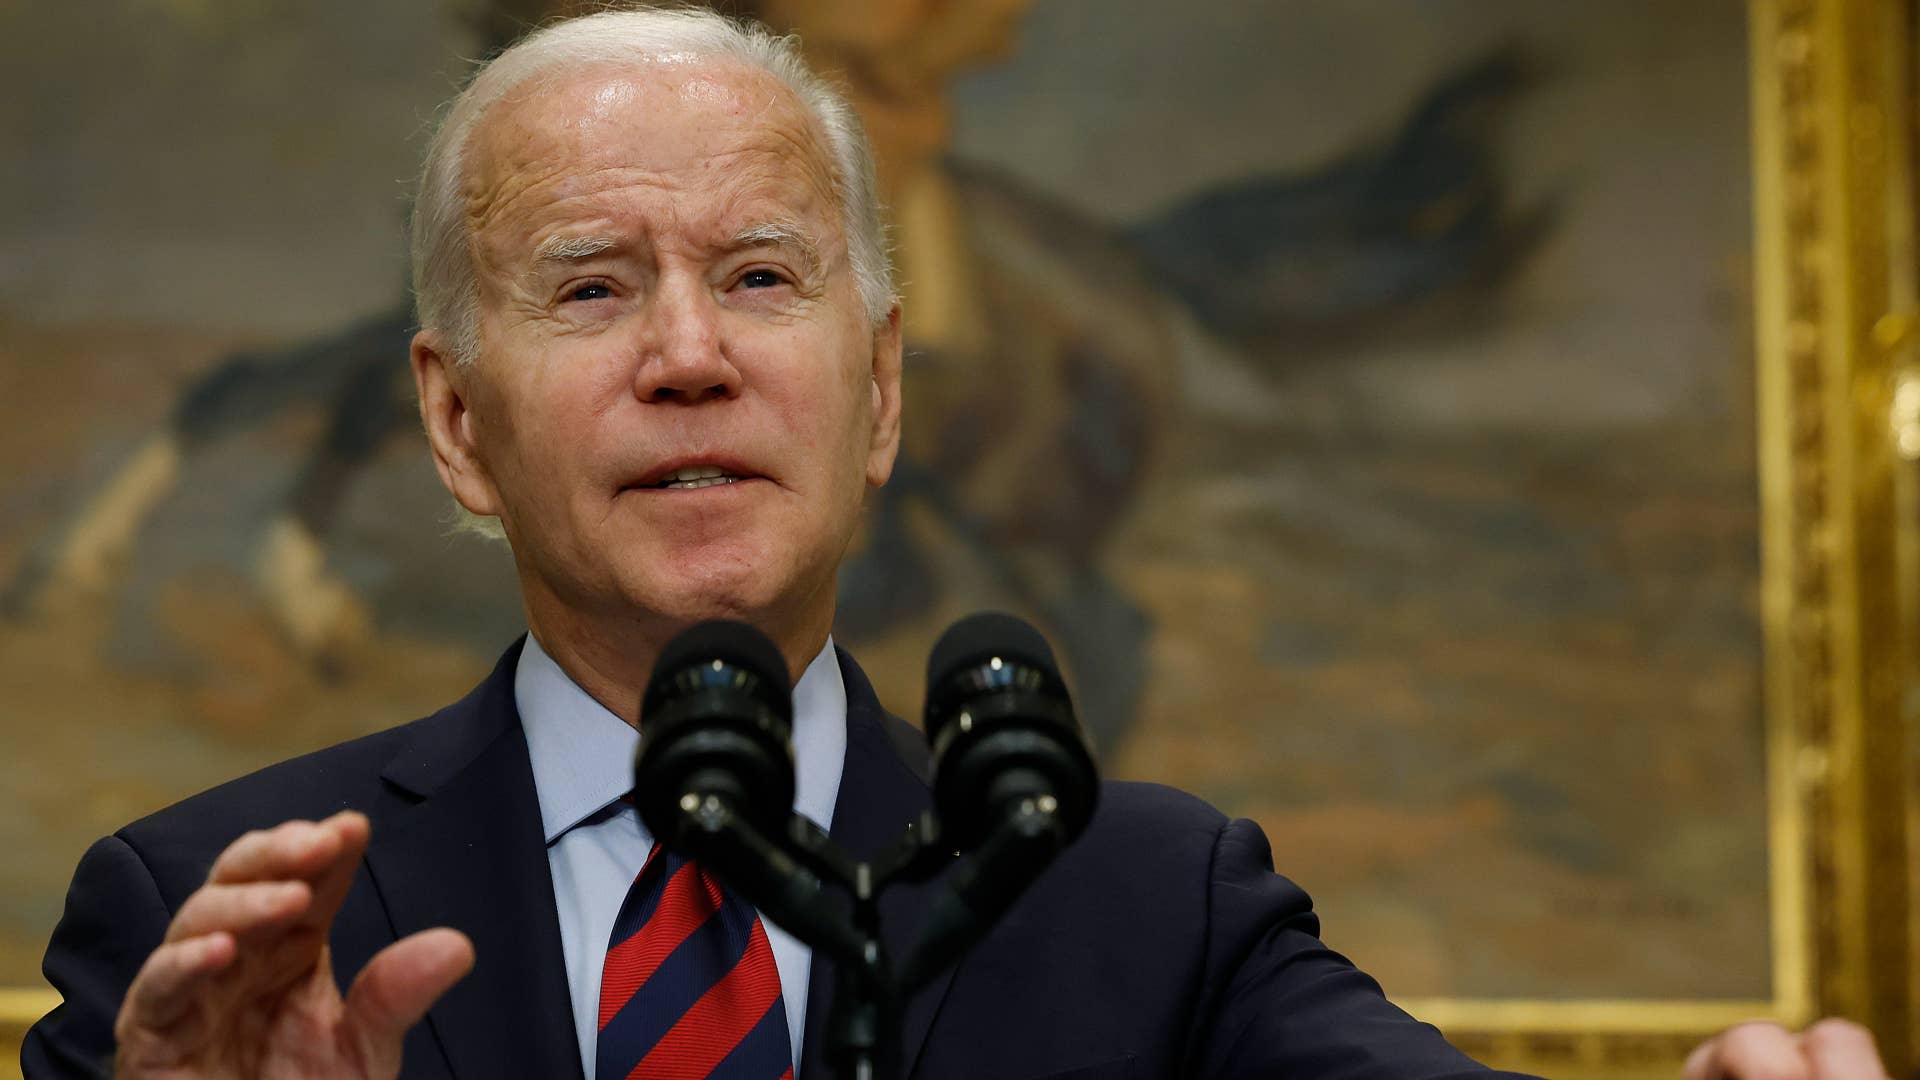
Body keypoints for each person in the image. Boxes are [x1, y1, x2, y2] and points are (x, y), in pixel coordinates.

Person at [16, 7, 1897, 1080]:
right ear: (453, 422)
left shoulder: (1155, 912)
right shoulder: (210, 931)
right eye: (591, 289)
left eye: (763, 276)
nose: (689, 355)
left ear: (884, 395)